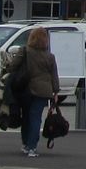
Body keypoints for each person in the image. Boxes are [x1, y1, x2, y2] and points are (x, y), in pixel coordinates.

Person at [18, 26, 61, 158]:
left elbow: (14, 66)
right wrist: (56, 92)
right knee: (36, 117)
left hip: (26, 89)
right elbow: (54, 75)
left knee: (25, 116)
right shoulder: (50, 57)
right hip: (43, 91)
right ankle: (32, 147)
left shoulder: (25, 51)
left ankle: (25, 144)